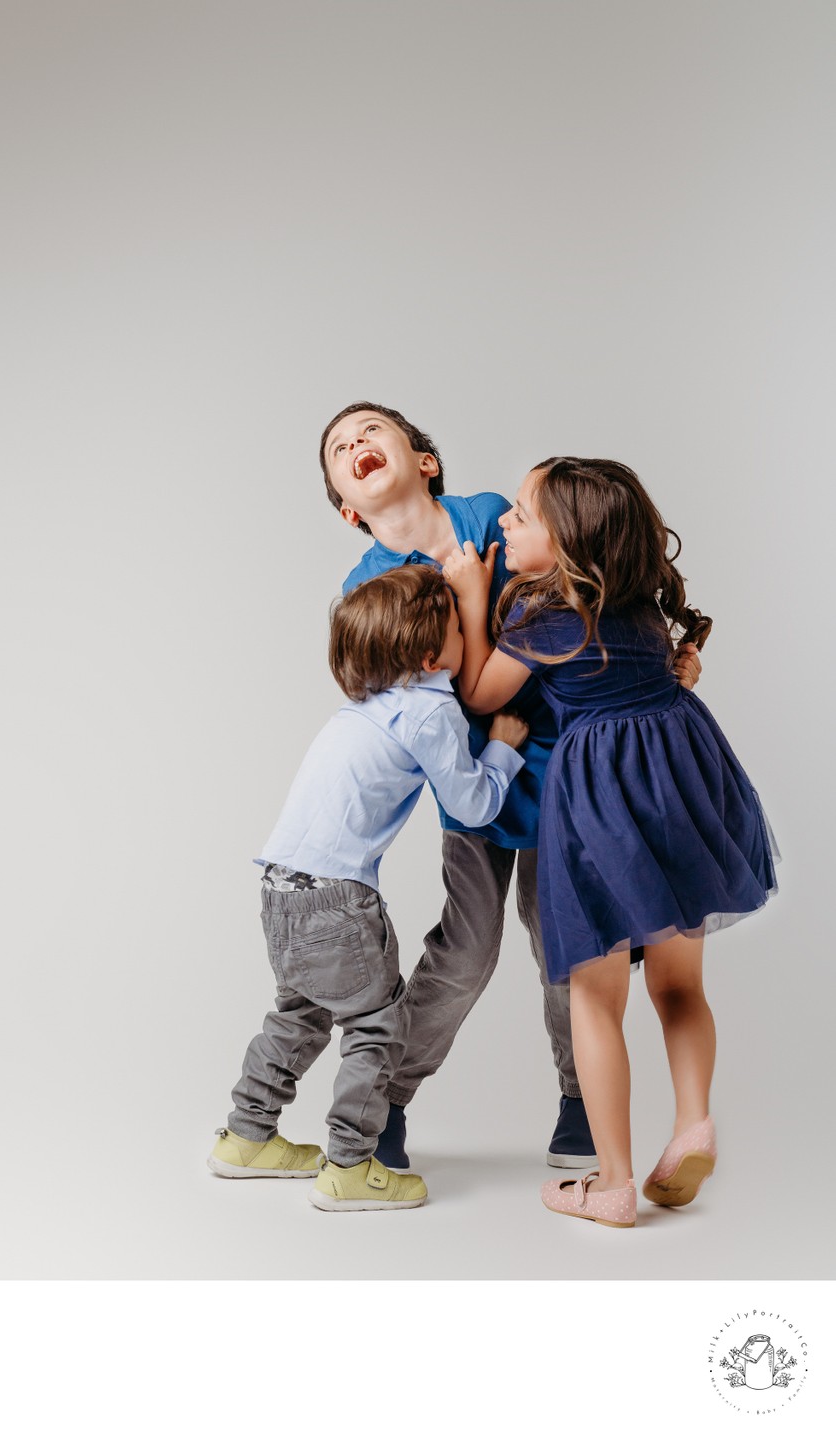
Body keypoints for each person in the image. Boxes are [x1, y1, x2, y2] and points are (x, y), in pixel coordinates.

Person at [321, 403, 703, 1170]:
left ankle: (581, 1104)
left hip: (573, 764)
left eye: (371, 431)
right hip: (476, 778)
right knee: (467, 949)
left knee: (564, 935)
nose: (357, 444)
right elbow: (435, 703)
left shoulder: (495, 516)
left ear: (425, 461)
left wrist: (659, 663)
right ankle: (384, 1098)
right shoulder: (370, 590)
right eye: (339, 447)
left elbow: (588, 585)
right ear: (346, 508)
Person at [442, 456, 777, 1228]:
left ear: (567, 544)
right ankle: (693, 1120)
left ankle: (615, 1183)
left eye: (522, 515)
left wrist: (468, 595)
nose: (503, 523)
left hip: (603, 803)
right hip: (686, 788)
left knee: (594, 998)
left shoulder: (541, 619)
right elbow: (671, 676)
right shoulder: (641, 612)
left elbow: (477, 693)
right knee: (681, 987)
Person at [208, 565, 528, 1211]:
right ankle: (351, 1164)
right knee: (379, 1027)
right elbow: (471, 807)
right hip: (337, 898)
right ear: (427, 653)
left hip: (277, 889)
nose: (472, 631)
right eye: (461, 625)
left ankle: (245, 1135)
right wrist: (502, 747)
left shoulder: (362, 707)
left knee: (298, 1013)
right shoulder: (433, 709)